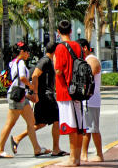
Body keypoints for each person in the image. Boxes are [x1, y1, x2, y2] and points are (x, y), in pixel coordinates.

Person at [0, 42, 51, 158]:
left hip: (20, 96)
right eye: (26, 51)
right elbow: (22, 78)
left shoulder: (12, 62)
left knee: (31, 122)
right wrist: (30, 86)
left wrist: (28, 95)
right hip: (16, 96)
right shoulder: (20, 63)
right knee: (10, 124)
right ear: (21, 52)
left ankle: (37, 148)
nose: (28, 53)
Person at [11, 42, 68, 157]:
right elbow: (35, 75)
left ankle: (17, 138)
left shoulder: (48, 61)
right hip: (46, 96)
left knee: (40, 123)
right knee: (57, 120)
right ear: (55, 51)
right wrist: (35, 93)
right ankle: (56, 149)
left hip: (44, 96)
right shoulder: (45, 60)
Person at [54, 21, 85, 166]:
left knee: (71, 127)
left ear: (58, 32)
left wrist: (55, 62)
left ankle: (72, 159)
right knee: (79, 126)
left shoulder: (60, 48)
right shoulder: (78, 47)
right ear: (71, 31)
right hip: (79, 91)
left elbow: (58, 70)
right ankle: (77, 158)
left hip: (65, 91)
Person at [78, 39, 104, 162]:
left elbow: (93, 71)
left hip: (91, 100)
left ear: (84, 48)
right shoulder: (86, 60)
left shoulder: (92, 59)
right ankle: (84, 154)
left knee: (92, 128)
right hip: (87, 100)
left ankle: (99, 154)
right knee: (87, 129)